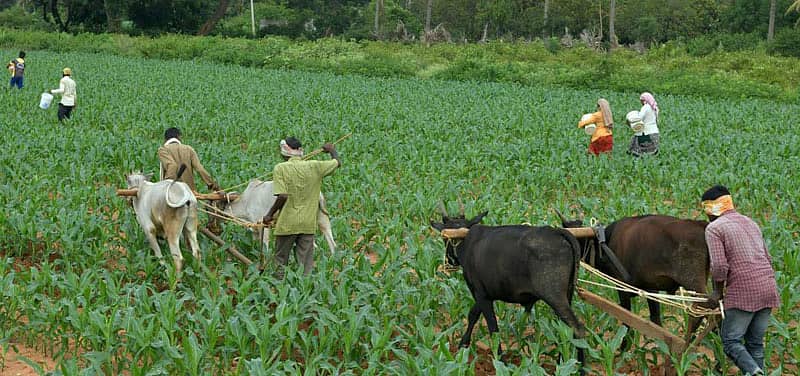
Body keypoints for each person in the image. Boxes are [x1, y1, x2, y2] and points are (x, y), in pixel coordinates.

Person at [700, 185, 780, 376]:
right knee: (755, 344)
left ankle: (753, 371)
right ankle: (757, 370)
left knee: (731, 341)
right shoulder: (750, 222)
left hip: (744, 291)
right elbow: (768, 258)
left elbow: (719, 266)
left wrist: (717, 292)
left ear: (712, 209)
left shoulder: (714, 228)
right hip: (768, 287)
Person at [262, 137, 341, 278]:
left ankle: (280, 289)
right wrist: (332, 150)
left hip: (287, 224)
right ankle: (304, 291)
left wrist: (269, 215)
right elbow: (337, 163)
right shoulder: (315, 166)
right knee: (305, 265)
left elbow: (283, 196)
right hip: (307, 224)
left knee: (280, 261)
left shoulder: (280, 168)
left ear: (284, 153)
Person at [157, 127, 220, 192]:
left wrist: (168, 185)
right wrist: (212, 184)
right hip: (189, 192)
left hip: (173, 192)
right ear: (179, 137)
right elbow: (200, 169)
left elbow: (172, 165)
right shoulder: (189, 149)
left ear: (165, 139)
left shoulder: (163, 150)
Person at [627, 92, 660, 156]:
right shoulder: (654, 108)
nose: (641, 102)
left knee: (635, 150)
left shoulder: (646, 107)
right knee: (652, 153)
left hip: (646, 133)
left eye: (641, 100)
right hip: (655, 132)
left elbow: (639, 118)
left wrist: (630, 119)